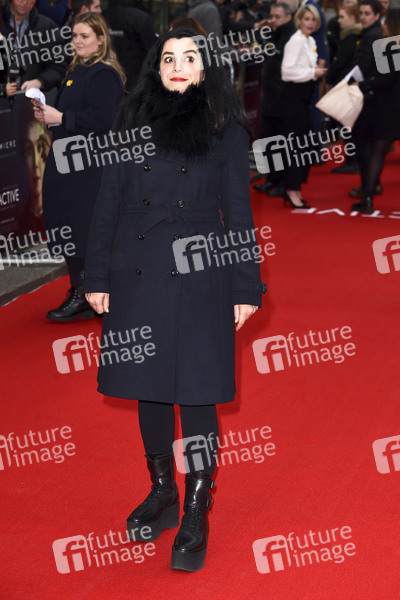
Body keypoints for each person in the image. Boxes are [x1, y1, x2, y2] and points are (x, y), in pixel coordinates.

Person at [83, 27, 266, 572]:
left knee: (197, 390)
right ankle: (162, 489)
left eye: (189, 57)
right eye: (168, 58)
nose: (178, 65)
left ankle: (196, 504)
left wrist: (246, 285)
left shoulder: (224, 127)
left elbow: (238, 213)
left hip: (201, 269)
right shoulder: (130, 121)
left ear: (205, 67)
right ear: (156, 67)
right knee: (151, 386)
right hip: (136, 271)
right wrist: (97, 275)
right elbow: (108, 202)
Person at [32, 12, 125, 321]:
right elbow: (74, 114)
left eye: (85, 36)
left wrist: (61, 118)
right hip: (68, 163)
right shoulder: (76, 70)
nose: (78, 41)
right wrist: (51, 117)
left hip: (88, 168)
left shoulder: (104, 74)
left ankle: (88, 292)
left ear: (101, 39)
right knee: (70, 226)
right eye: (74, 36)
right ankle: (84, 290)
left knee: (84, 229)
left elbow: (103, 119)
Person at [350, 8, 400, 213]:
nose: (382, 25)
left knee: (377, 153)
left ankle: (368, 199)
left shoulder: (388, 46)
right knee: (378, 152)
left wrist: (361, 85)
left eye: (385, 22)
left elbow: (385, 80)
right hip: (392, 106)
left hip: (386, 107)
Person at [280, 4, 327, 207]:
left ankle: (295, 189)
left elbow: (301, 68)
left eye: (313, 19)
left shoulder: (309, 40)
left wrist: (315, 69)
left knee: (305, 147)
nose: (310, 23)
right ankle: (291, 190)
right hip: (293, 100)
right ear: (299, 20)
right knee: (296, 148)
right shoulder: (296, 40)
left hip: (304, 100)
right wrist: (312, 72)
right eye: (307, 19)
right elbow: (286, 72)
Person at [253, 2, 296, 196]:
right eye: (271, 16)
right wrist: (261, 30)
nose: (273, 20)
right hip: (270, 94)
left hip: (285, 95)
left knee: (282, 141)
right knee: (267, 138)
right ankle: (271, 178)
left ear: (288, 17)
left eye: (277, 17)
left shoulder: (292, 37)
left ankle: (283, 182)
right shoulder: (274, 33)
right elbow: (263, 46)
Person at [347, 0, 383, 203]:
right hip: (375, 97)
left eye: (367, 13)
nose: (362, 17)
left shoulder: (372, 36)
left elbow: (362, 67)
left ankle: (367, 188)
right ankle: (372, 185)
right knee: (372, 147)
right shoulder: (378, 34)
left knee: (364, 146)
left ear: (377, 15)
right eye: (361, 13)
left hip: (368, 98)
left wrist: (357, 84)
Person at [0, 0, 67, 101]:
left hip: (30, 100)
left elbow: (59, 65)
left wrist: (40, 81)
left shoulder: (47, 27)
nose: (25, 2)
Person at [102, 0, 158, 92]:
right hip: (135, 80)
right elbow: (153, 50)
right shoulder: (141, 18)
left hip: (106, 76)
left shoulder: (102, 16)